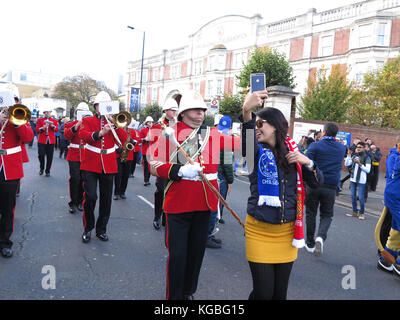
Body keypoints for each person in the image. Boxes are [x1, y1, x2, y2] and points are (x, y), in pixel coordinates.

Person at [149, 90, 240, 300]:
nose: (201, 114)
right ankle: (174, 298)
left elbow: (241, 146)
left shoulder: (213, 134)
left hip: (205, 202)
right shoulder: (169, 133)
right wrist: (178, 171)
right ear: (183, 113)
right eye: (196, 110)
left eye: (203, 110)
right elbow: (153, 166)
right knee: (178, 256)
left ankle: (188, 291)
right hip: (178, 204)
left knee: (196, 255)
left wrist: (251, 119)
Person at [240, 90, 321, 300]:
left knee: (279, 294)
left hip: (287, 233)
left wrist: (309, 163)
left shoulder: (294, 152)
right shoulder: (255, 153)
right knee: (263, 293)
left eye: (261, 124)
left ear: (275, 125)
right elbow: (247, 139)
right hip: (259, 232)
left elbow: (316, 182)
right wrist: (247, 111)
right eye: (255, 124)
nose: (257, 128)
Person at [79, 91, 127, 243]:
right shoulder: (88, 120)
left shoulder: (115, 122)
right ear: (96, 107)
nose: (104, 108)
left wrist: (116, 125)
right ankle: (88, 228)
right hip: (90, 163)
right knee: (91, 197)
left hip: (109, 164)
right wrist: (101, 132)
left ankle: (101, 229)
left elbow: (124, 141)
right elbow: (84, 135)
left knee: (106, 200)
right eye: (101, 105)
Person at [304, 122, 347, 256]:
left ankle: (310, 243)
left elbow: (306, 161)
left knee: (311, 213)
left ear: (324, 132)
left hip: (314, 183)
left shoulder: (315, 145)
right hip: (331, 185)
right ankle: (320, 237)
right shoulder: (341, 148)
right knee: (327, 215)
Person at [0, 92, 34, 257]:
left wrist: (16, 122)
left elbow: (28, 137)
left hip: (11, 167)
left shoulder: (19, 118)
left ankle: (5, 242)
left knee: (8, 207)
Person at [206, 115, 234, 249]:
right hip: (220, 176)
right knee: (215, 207)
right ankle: (208, 235)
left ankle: (208, 234)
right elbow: (228, 163)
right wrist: (230, 181)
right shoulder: (225, 139)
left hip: (210, 174)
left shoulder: (209, 135)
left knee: (210, 206)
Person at [151, 98, 179, 230]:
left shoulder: (179, 125)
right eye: (172, 110)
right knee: (161, 190)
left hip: (175, 161)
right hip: (162, 160)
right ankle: (157, 216)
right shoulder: (158, 125)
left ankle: (166, 217)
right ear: (166, 111)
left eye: (176, 110)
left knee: (172, 191)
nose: (175, 112)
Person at [376, 136, 400, 274]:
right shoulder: (395, 157)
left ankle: (388, 258)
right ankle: (387, 259)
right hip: (395, 197)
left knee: (394, 227)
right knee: (394, 226)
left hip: (394, 196)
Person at [64, 102, 91, 214]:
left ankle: (81, 201)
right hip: (74, 154)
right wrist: (76, 126)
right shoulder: (71, 123)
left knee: (84, 179)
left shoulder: (90, 124)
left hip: (86, 154)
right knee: (75, 178)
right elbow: (67, 135)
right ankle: (73, 202)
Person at [345, 141, 371, 220]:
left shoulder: (367, 157)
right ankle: (354, 211)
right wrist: (349, 155)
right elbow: (346, 164)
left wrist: (359, 164)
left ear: (363, 148)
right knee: (353, 196)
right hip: (353, 179)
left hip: (361, 180)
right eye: (357, 147)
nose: (358, 148)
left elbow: (368, 170)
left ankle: (362, 213)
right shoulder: (354, 156)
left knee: (361, 197)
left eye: (360, 147)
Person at [113, 125, 136, 200]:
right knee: (118, 175)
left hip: (128, 155)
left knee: (125, 175)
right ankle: (116, 193)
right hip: (119, 155)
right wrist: (117, 149)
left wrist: (133, 141)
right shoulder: (116, 128)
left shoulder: (131, 130)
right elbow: (112, 139)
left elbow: (137, 140)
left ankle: (122, 192)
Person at [36, 109, 59, 177]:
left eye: (48, 112)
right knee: (41, 155)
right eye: (46, 112)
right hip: (42, 140)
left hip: (51, 141)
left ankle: (47, 170)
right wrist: (43, 127)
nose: (47, 113)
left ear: (50, 113)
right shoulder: (40, 120)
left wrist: (52, 126)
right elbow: (37, 129)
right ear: (44, 113)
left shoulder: (54, 121)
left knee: (50, 157)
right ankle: (42, 168)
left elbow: (57, 130)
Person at [140, 116, 154, 186]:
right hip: (145, 150)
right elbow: (140, 139)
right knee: (146, 166)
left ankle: (148, 179)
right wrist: (145, 139)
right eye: (149, 122)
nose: (150, 123)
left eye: (151, 122)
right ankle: (146, 180)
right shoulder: (143, 130)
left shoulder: (155, 130)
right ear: (146, 123)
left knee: (150, 166)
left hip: (153, 150)